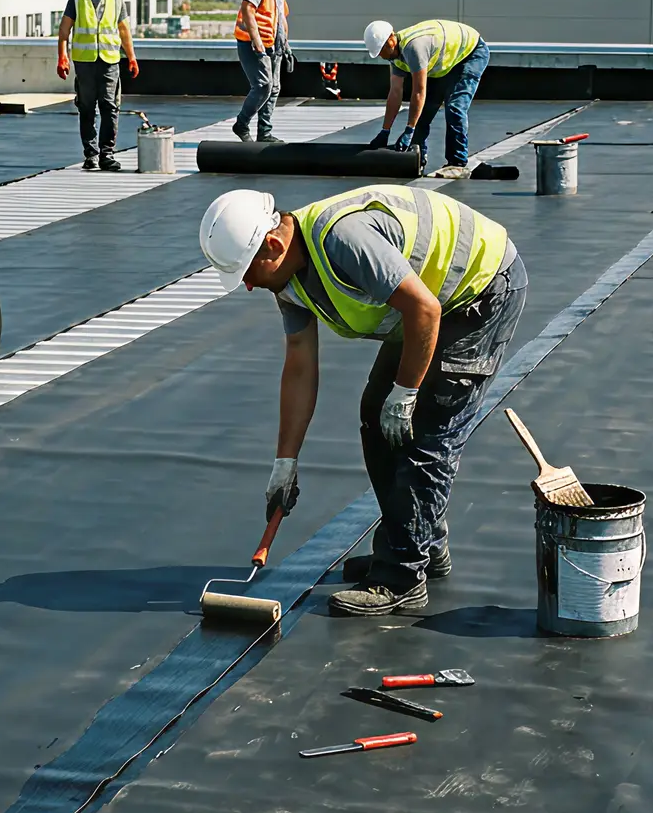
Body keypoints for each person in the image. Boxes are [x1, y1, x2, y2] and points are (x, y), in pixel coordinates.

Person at [199, 179, 527, 616]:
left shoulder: (343, 241)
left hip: (480, 291)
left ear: (273, 245)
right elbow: (299, 364)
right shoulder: (288, 281)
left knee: (426, 434)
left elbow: (424, 310)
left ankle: (403, 576)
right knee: (376, 416)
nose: (248, 288)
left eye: (248, 273)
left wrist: (407, 393)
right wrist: (285, 463)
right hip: (425, 305)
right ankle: (420, 541)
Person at [366, 18, 490, 179]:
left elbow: (419, 91)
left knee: (455, 107)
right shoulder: (394, 56)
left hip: (470, 53)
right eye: (379, 53)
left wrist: (409, 129)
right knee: (421, 112)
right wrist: (385, 130)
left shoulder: (414, 48)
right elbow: (395, 92)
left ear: (391, 38)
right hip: (445, 62)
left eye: (383, 50)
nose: (382, 55)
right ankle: (418, 158)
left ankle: (457, 164)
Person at [56, 0, 139, 170]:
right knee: (86, 107)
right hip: (85, 62)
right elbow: (65, 29)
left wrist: (131, 57)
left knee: (110, 107)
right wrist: (62, 56)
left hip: (110, 61)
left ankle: (107, 154)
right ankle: (91, 155)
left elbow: (124, 31)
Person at [233, 0, 296, 142]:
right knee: (263, 86)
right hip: (253, 45)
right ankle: (241, 125)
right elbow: (247, 11)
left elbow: (280, 17)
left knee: (274, 88)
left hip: (274, 46)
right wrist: (257, 42)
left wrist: (286, 45)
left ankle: (264, 133)